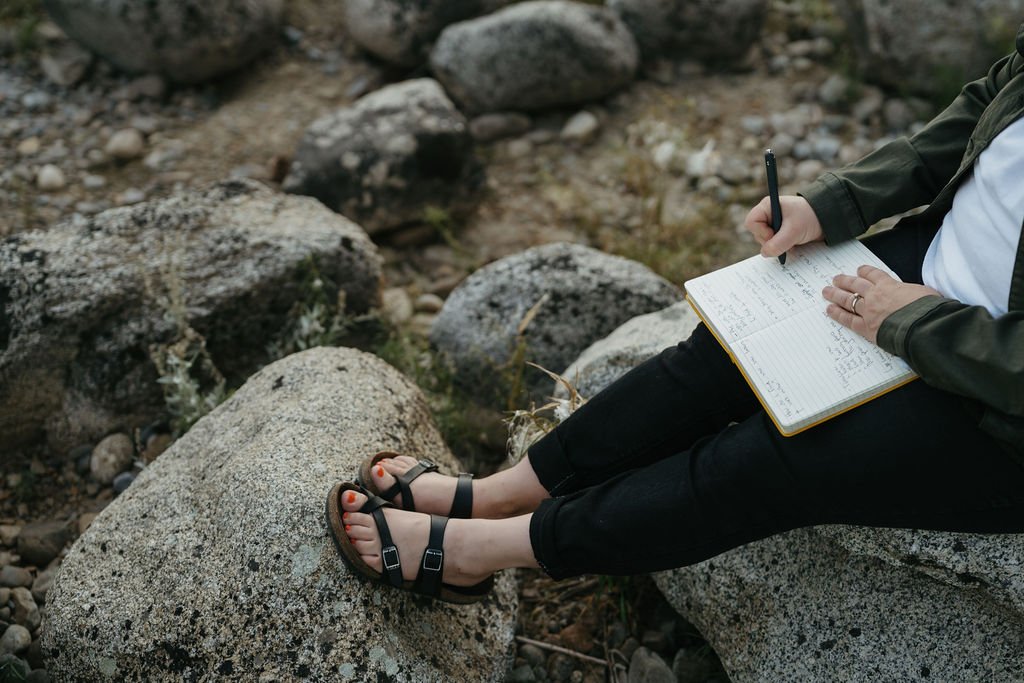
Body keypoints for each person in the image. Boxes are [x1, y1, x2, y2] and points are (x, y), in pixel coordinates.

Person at [326, 24, 1024, 602]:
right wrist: (837, 202)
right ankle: (499, 494)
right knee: (715, 357)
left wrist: (913, 323)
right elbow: (989, 100)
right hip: (928, 263)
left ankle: (484, 550)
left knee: (767, 462)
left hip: (997, 405)